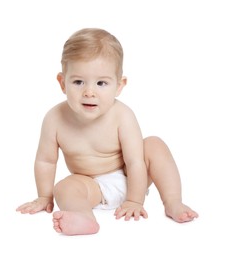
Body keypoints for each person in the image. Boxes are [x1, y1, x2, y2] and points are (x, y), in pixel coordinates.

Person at [16, 28, 198, 236]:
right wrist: (44, 196)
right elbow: (46, 161)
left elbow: (135, 161)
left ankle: (173, 202)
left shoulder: (122, 115)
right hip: (91, 186)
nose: (89, 92)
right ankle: (84, 217)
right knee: (63, 187)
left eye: (101, 83)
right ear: (62, 82)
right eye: (78, 82)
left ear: (119, 86)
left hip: (131, 178)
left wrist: (134, 200)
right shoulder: (54, 119)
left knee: (154, 144)